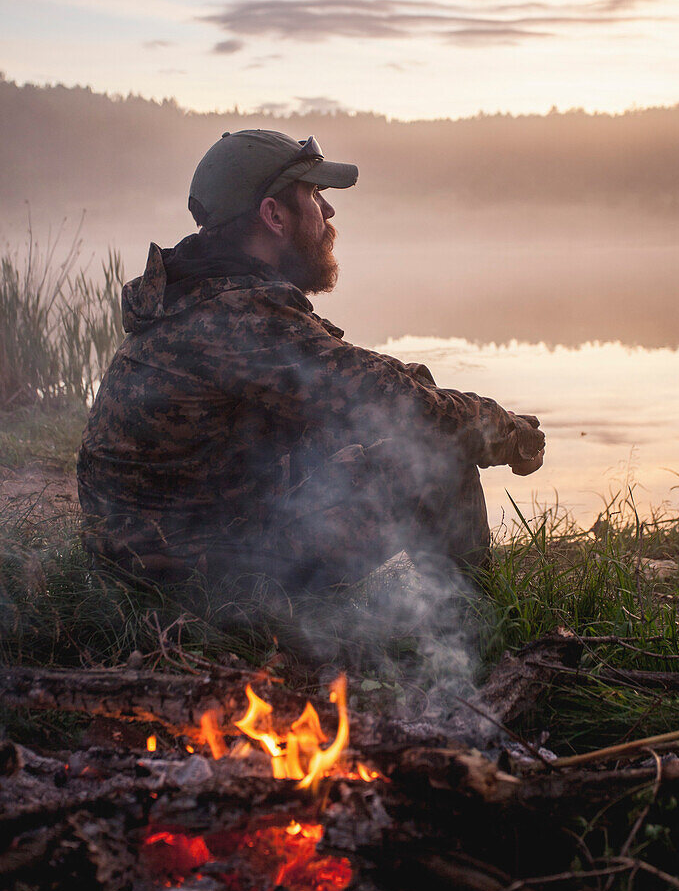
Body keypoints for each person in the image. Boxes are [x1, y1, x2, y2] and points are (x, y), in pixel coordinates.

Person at [77, 129, 544, 594]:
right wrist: (507, 434)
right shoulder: (240, 318)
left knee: (367, 429)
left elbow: (355, 376)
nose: (329, 210)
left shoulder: (204, 297)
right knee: (437, 451)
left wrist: (418, 385)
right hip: (194, 581)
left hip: (152, 559)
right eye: (316, 194)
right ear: (274, 215)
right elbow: (403, 409)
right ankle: (473, 628)